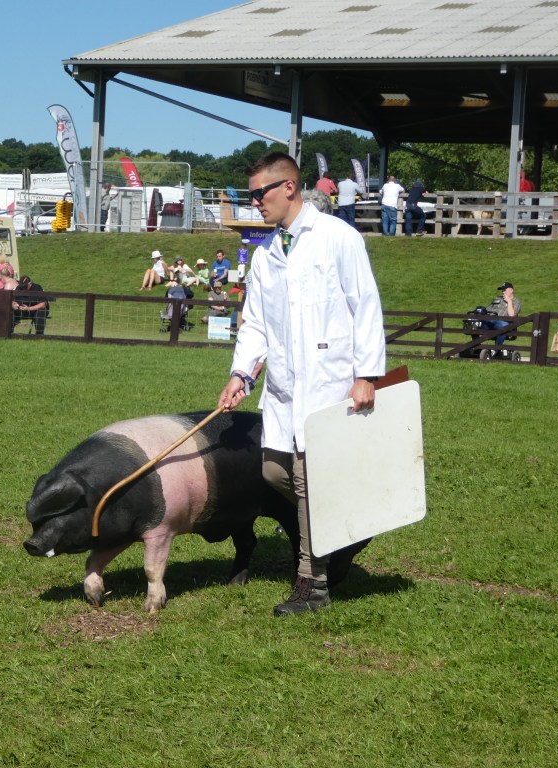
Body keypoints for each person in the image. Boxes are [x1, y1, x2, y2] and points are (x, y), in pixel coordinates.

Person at [218, 151, 385, 617]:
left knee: (310, 479)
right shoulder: (266, 254)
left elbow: (365, 306)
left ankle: (313, 584)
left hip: (331, 381)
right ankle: (345, 527)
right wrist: (240, 373)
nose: (255, 202)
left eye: (260, 193)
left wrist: (366, 376)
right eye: (252, 194)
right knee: (275, 472)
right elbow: (255, 323)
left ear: (289, 187)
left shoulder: (338, 237)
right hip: (284, 388)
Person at [482, 281, 522, 358]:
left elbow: (511, 315)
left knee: (504, 325)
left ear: (511, 290)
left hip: (504, 323)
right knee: (475, 322)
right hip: (490, 321)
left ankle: (495, 350)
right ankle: (474, 346)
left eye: (504, 290)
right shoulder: (497, 299)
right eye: (502, 290)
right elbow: (487, 310)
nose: (503, 292)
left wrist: (509, 301)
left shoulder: (516, 302)